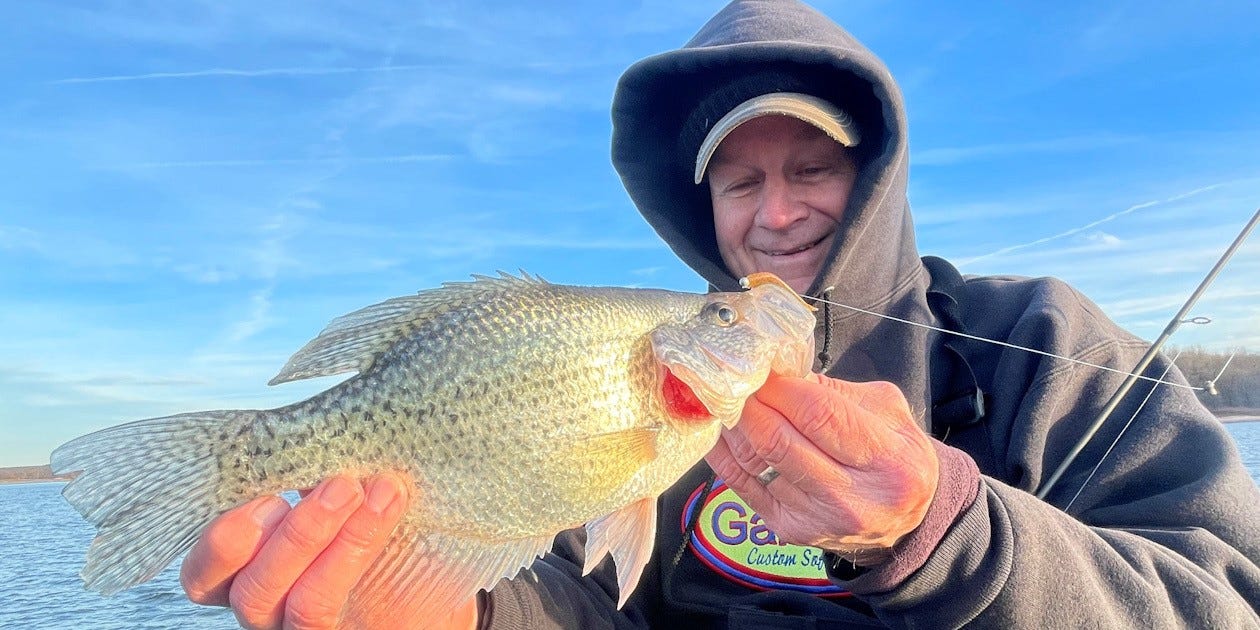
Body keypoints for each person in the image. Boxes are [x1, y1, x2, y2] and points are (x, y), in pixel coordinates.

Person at [180, 0, 1260, 627]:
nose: (777, 213)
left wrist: (948, 528)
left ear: (879, 174)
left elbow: (1229, 599)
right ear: (701, 206)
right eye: (740, 183)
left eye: (813, 169)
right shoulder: (659, 382)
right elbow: (583, 597)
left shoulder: (1045, 345)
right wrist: (460, 616)